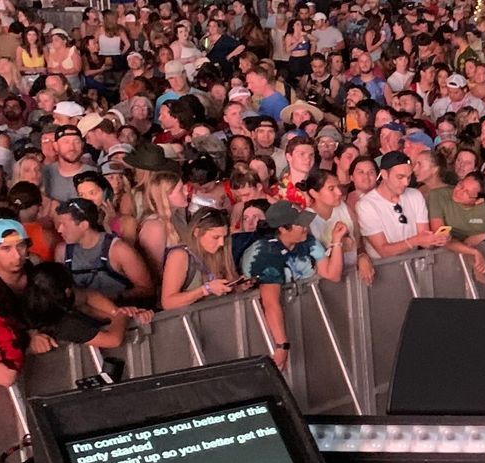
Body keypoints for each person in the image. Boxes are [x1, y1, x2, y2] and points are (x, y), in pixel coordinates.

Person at [240, 200, 345, 372]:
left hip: (303, 319)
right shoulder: (265, 253)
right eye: (299, 224)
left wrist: (337, 242)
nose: (305, 226)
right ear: (282, 228)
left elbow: (332, 274)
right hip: (266, 329)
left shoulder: (307, 242)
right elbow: (270, 303)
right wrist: (282, 345)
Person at [55, 197, 155, 305]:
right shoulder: (62, 252)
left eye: (64, 225)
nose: (59, 230)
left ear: (84, 225)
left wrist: (111, 297)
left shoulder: (118, 250)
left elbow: (147, 289)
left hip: (124, 311)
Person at [354, 151, 447, 260]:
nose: (406, 183)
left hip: (414, 264)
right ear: (384, 174)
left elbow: (424, 239)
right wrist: (416, 240)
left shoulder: (415, 195)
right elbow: (384, 251)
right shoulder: (366, 205)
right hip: (384, 269)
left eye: (408, 177)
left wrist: (437, 239)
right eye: (400, 177)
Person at [159, 206, 243, 311]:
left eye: (224, 237)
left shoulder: (220, 252)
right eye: (215, 237)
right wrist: (205, 290)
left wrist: (238, 286)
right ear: (197, 232)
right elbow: (168, 303)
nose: (221, 243)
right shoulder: (180, 256)